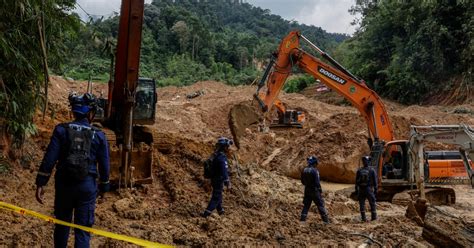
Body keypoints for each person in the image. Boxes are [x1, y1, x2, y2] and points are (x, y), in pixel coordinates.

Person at [35, 93, 110, 248]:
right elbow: (104, 165)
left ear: (73, 112)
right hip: (87, 187)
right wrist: (104, 188)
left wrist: (41, 182)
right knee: (82, 230)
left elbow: (49, 158)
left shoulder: (61, 130)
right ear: (91, 113)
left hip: (64, 185)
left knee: (62, 225)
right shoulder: (99, 135)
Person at [202, 137, 232, 218]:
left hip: (214, 178)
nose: (229, 149)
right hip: (218, 179)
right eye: (228, 147)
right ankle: (206, 214)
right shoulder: (222, 158)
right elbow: (224, 171)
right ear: (225, 147)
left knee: (218, 194)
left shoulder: (215, 155)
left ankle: (220, 211)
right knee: (216, 197)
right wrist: (227, 182)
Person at [300, 155, 329, 224]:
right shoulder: (315, 171)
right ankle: (326, 221)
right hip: (314, 190)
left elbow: (302, 181)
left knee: (306, 205)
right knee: (320, 205)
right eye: (316, 163)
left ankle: (302, 220)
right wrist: (320, 190)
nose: (317, 164)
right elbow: (317, 182)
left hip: (307, 190)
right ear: (314, 163)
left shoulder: (304, 170)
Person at [355, 156, 378, 222]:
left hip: (361, 189)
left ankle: (363, 218)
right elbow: (375, 181)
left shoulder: (359, 170)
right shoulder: (372, 170)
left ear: (363, 162)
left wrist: (356, 190)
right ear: (369, 162)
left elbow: (356, 181)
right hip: (369, 189)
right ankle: (373, 218)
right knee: (372, 203)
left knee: (362, 204)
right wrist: (376, 190)